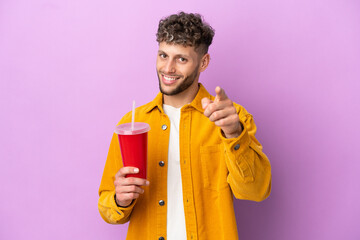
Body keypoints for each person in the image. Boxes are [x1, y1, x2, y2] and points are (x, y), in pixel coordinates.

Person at [98, 12, 271, 240]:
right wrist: (120, 199)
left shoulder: (232, 119)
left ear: (204, 62)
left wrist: (234, 134)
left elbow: (256, 191)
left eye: (181, 59)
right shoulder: (132, 124)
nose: (168, 68)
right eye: (163, 55)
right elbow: (108, 208)